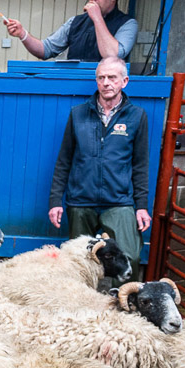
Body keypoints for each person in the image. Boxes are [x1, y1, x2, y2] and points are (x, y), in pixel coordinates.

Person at [49, 57, 151, 281]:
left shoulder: (136, 116)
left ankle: (124, 299)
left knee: (130, 256)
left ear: (124, 81)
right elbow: (64, 160)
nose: (106, 83)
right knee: (78, 262)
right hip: (80, 201)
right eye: (101, 77)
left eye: (112, 77)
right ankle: (82, 301)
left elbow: (140, 165)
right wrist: (55, 200)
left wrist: (141, 206)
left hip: (118, 201)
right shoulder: (78, 114)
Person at [4, 0, 137, 62]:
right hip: (74, 87)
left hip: (106, 90)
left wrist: (97, 18)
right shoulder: (75, 22)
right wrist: (23, 34)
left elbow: (112, 56)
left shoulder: (128, 24)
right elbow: (45, 50)